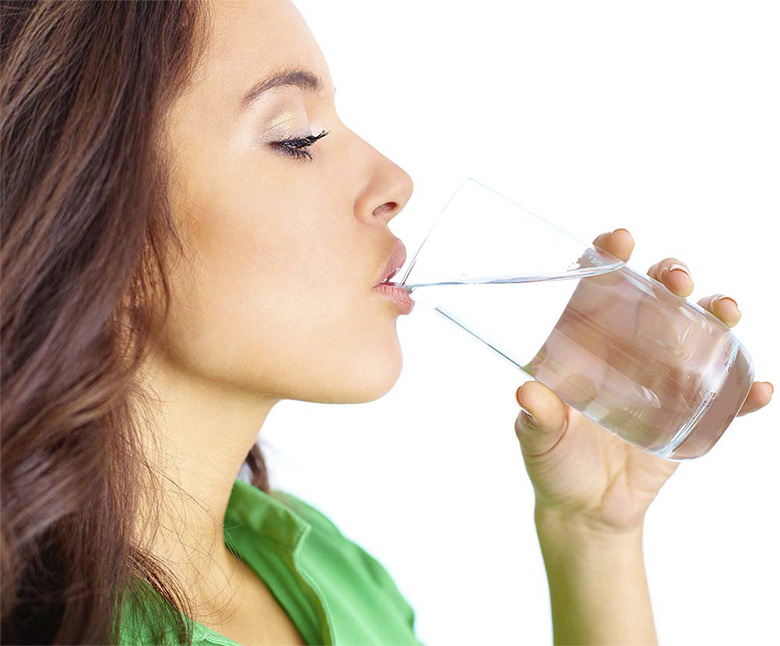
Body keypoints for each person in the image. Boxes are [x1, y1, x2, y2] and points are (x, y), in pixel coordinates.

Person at [0, 1, 772, 644]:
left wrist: (596, 538)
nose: (395, 181)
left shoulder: (328, 568)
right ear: (94, 224)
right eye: (295, 137)